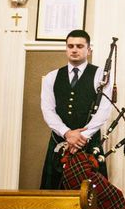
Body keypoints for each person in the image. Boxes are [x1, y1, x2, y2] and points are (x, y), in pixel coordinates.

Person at [40, 29, 112, 189]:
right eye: (70, 46)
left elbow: (104, 110)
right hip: (59, 140)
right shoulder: (52, 77)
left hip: (89, 141)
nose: (74, 49)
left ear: (88, 50)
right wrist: (67, 133)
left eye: (79, 46)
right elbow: (48, 110)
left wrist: (82, 136)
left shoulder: (101, 75)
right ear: (66, 48)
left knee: (92, 197)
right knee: (54, 194)